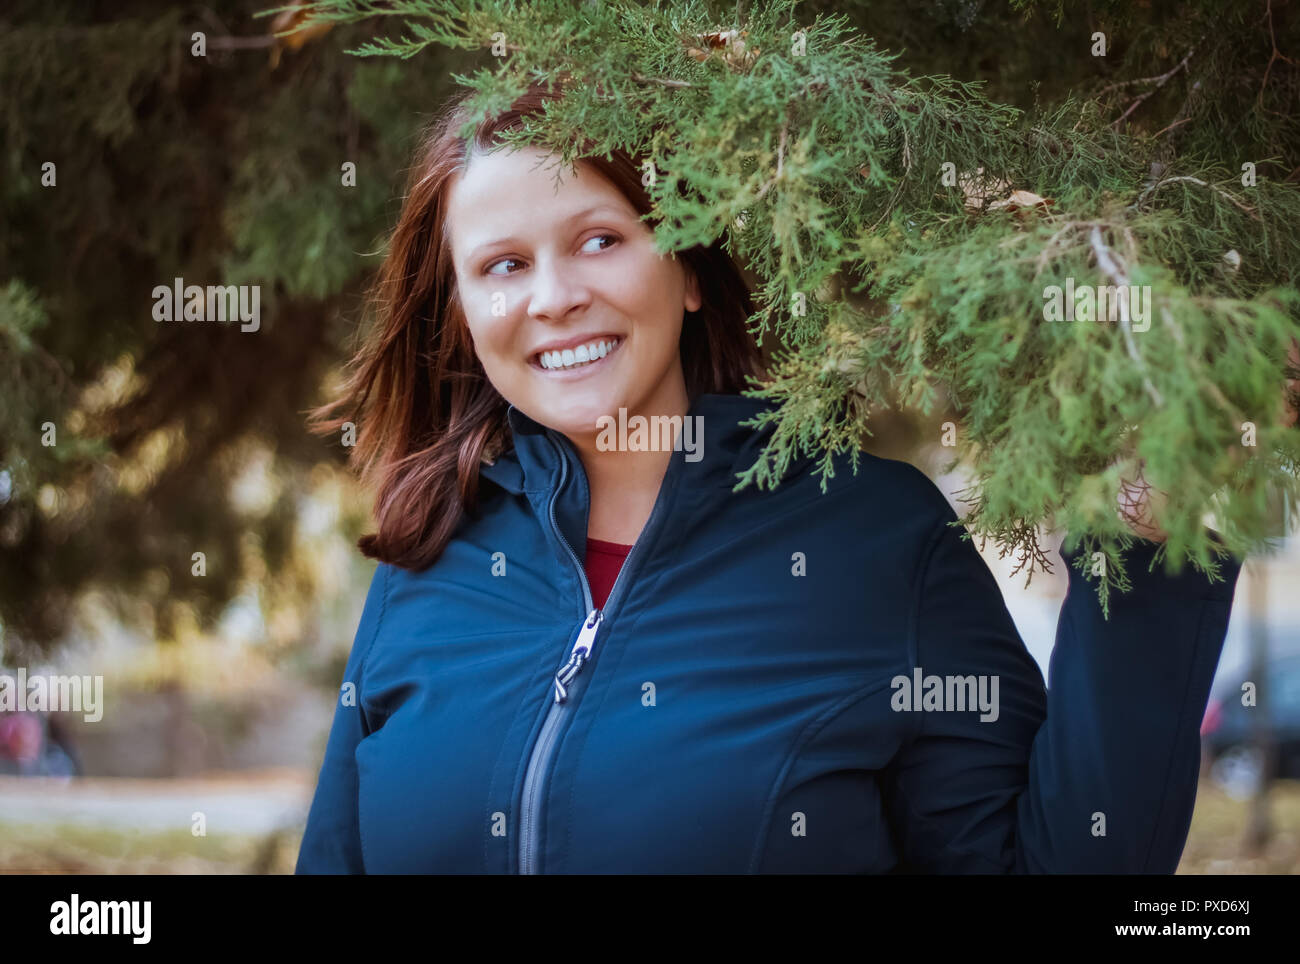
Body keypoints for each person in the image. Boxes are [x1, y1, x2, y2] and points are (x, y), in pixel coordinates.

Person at [296, 79, 1242, 874]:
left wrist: (1150, 538)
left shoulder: (874, 538)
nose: (554, 297)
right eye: (503, 264)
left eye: (600, 239)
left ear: (690, 269)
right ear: (461, 315)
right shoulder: (427, 561)